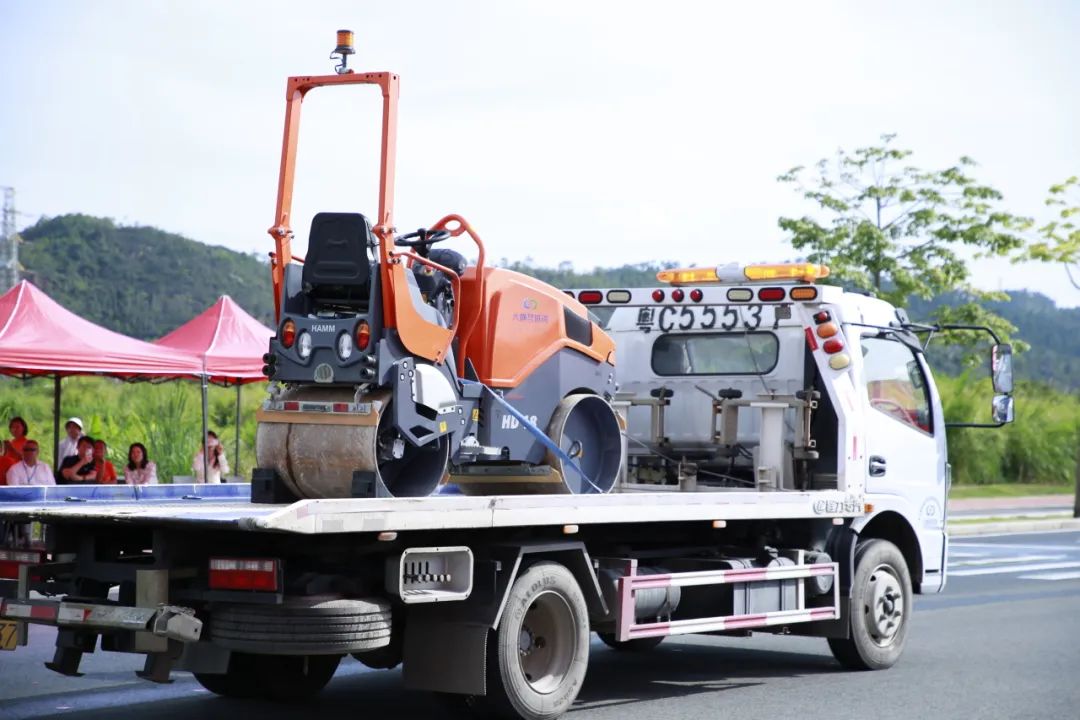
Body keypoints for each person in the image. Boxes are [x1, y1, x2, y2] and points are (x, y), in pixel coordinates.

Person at [1, 416, 30, 482]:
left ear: (23, 428)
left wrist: (12, 449)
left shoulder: (28, 443)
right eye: (12, 427)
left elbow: (28, 460)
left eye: (17, 427)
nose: (14, 429)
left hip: (19, 476)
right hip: (7, 474)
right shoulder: (11, 442)